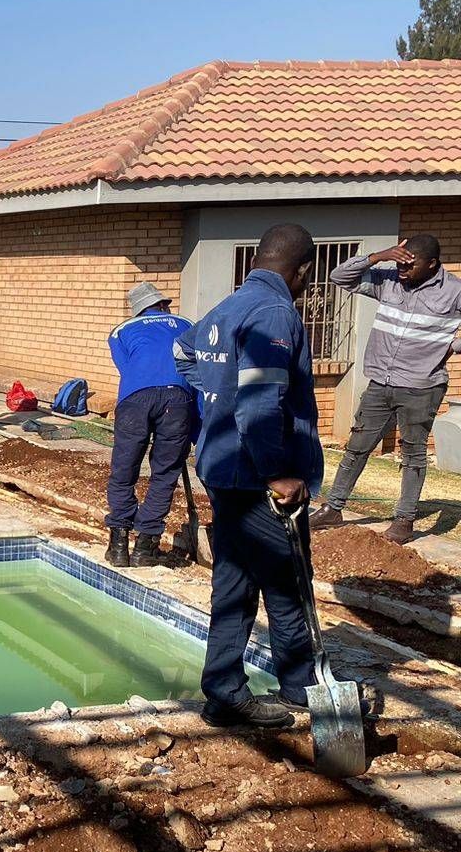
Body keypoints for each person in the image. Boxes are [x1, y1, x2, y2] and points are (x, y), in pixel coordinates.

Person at [174, 223, 323, 729]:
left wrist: (216, 394)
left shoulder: (228, 306)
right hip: (259, 476)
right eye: (308, 274)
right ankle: (301, 689)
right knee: (285, 584)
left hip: (222, 466)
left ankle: (224, 692)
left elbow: (184, 353)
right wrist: (278, 472)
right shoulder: (275, 312)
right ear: (302, 269)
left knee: (234, 579)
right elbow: (261, 402)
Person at [310, 234, 461, 544]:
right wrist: (378, 256)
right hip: (380, 381)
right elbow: (339, 277)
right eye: (399, 261)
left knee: (413, 453)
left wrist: (453, 346)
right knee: (357, 447)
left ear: (433, 264)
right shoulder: (389, 280)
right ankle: (334, 508)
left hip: (421, 385)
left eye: (410, 264)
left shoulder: (454, 292)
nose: (402, 268)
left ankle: (404, 522)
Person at [104, 282, 196, 568]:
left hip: (135, 399)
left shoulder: (121, 330)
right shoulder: (185, 323)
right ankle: (146, 547)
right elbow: (196, 363)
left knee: (124, 470)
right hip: (178, 398)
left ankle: (118, 546)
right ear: (163, 305)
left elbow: (127, 368)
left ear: (137, 310)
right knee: (165, 474)